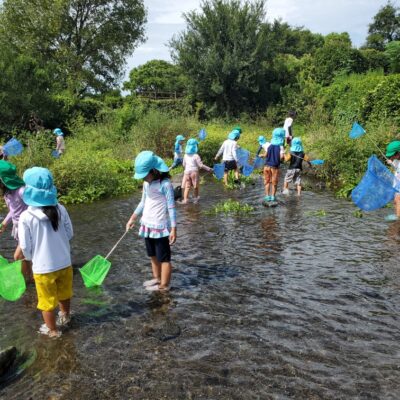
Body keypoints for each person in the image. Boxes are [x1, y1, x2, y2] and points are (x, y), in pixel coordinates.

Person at [18, 167, 73, 338]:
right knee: (64, 293)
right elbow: (70, 233)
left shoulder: (26, 217)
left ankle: (53, 331)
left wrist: (29, 259)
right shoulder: (60, 209)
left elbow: (25, 246)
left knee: (46, 302)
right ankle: (65, 316)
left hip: (43, 267)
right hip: (65, 262)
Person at [126, 151, 176, 292]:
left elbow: (171, 207)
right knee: (152, 255)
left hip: (160, 227)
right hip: (147, 225)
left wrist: (174, 228)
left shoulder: (165, 184)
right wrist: (132, 218)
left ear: (154, 171)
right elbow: (142, 203)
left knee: (164, 258)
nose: (143, 178)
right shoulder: (146, 184)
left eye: (145, 175)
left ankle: (164, 286)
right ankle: (157, 279)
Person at [0, 160, 32, 282]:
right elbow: (14, 210)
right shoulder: (7, 193)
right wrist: (4, 223)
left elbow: (34, 207)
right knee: (26, 257)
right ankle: (30, 279)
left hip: (28, 227)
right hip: (18, 228)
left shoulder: (21, 191)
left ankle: (24, 283)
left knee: (18, 256)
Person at [180, 138, 212, 204]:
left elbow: (183, 164)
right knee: (196, 186)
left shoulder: (185, 155)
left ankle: (185, 200)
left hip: (187, 172)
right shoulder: (196, 155)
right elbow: (201, 165)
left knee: (187, 187)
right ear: (195, 146)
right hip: (194, 172)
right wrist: (209, 169)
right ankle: (196, 199)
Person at [259, 128, 285, 202]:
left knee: (267, 181)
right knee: (274, 183)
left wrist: (262, 155)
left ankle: (267, 196)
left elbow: (266, 155)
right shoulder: (281, 147)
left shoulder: (269, 145)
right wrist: (282, 159)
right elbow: (282, 157)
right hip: (274, 167)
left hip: (266, 166)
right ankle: (273, 196)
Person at [386, 140, 400, 219]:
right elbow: (395, 166)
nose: (392, 157)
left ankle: (398, 218)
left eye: (393, 155)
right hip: (397, 186)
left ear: (398, 153)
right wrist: (390, 162)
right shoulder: (396, 161)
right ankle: (397, 215)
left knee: (398, 200)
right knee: (395, 201)